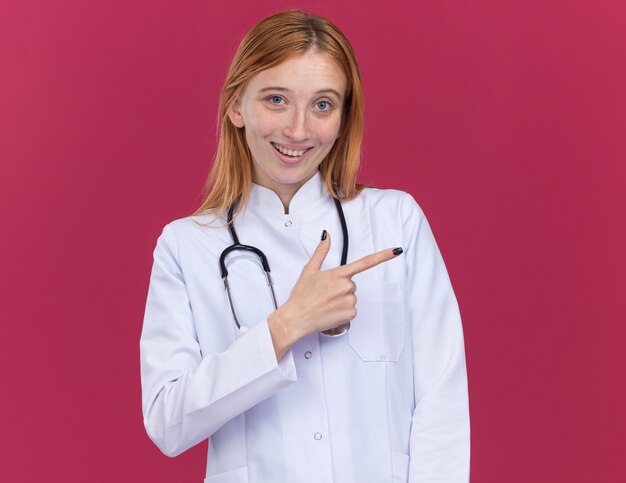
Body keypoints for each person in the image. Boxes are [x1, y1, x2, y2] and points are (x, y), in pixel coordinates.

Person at [140, 10, 470, 483]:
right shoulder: (186, 247)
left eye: (322, 105)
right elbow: (167, 423)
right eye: (277, 99)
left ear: (342, 118)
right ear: (237, 106)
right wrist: (285, 326)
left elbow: (442, 402)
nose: (298, 130)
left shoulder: (395, 221)